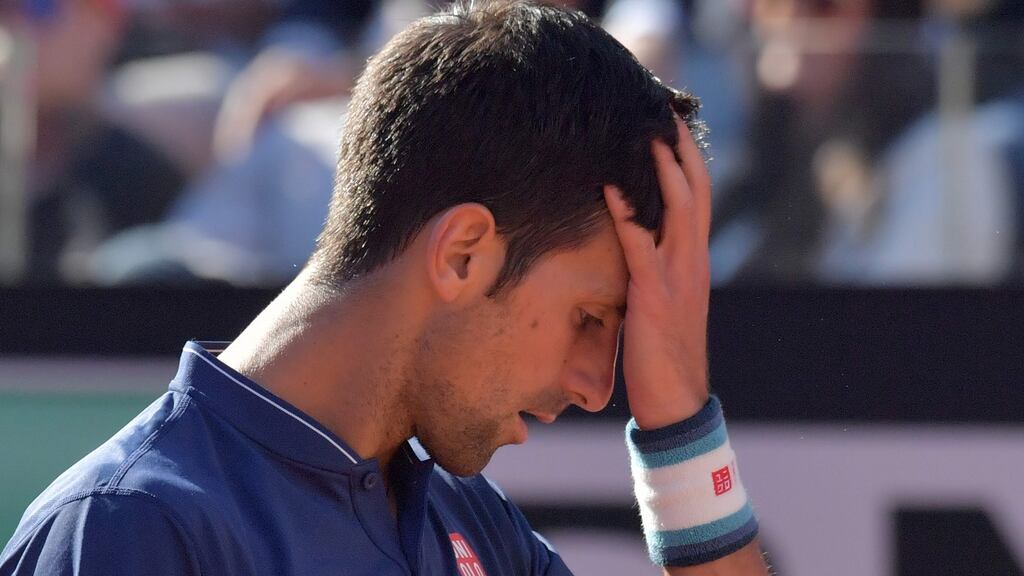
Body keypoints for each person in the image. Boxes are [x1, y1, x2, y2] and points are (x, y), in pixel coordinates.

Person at [0, 2, 768, 574]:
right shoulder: (132, 530)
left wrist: (679, 421)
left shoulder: (471, 524)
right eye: (591, 318)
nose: (599, 388)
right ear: (462, 254)